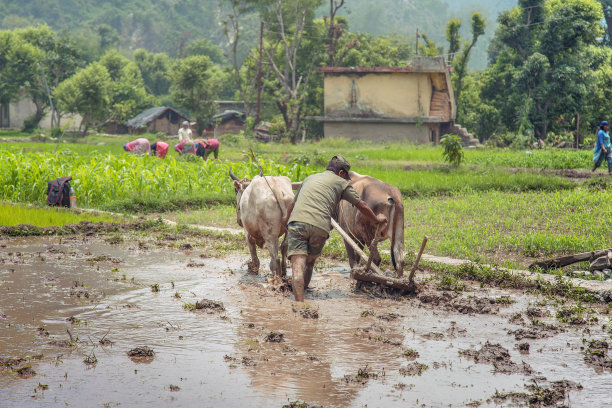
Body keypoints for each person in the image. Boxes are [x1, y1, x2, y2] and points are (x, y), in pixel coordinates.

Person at [283, 155, 387, 302]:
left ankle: (299, 304)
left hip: (298, 222)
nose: (345, 180)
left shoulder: (309, 178)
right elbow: (361, 205)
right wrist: (376, 219)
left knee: (297, 266)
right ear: (341, 173)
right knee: (309, 263)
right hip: (320, 227)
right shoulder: (341, 183)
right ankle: (303, 292)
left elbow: (292, 205)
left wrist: (285, 221)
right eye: (346, 176)